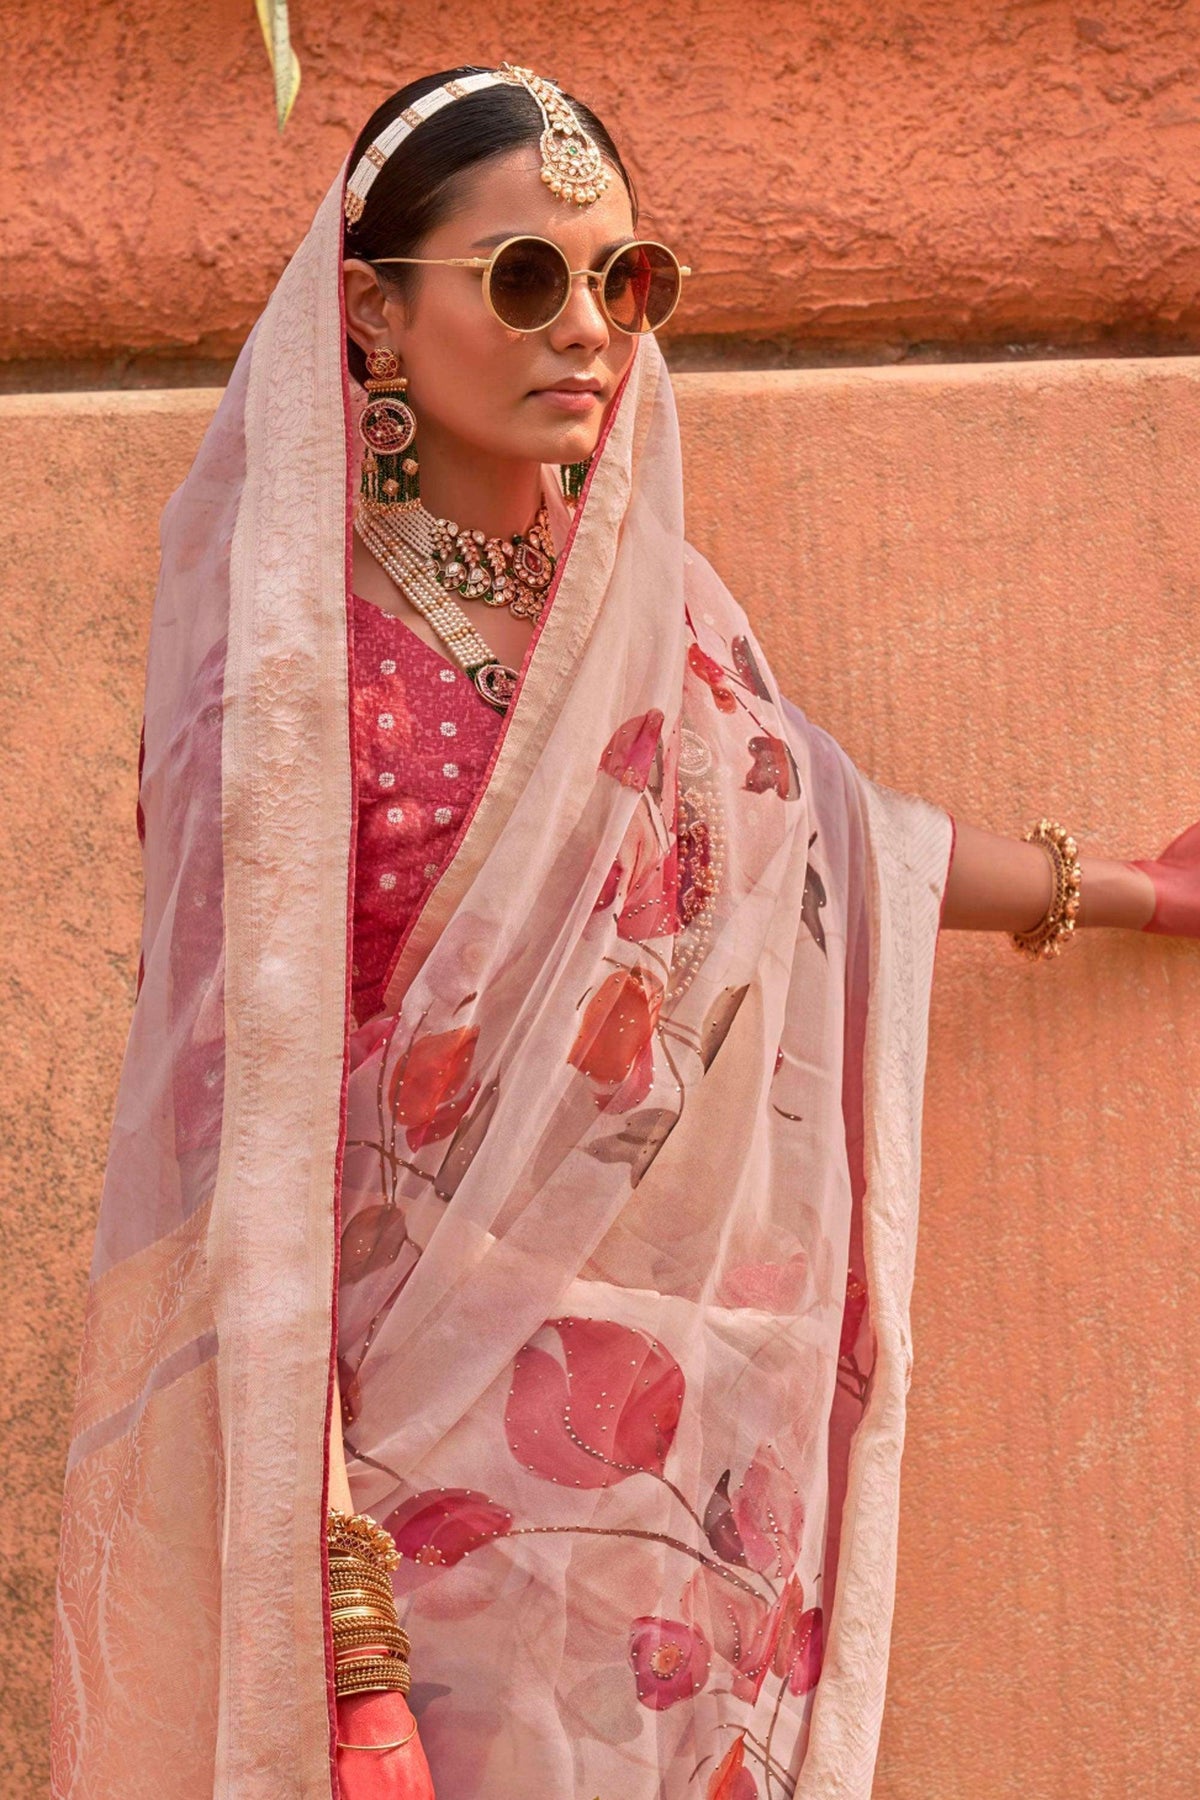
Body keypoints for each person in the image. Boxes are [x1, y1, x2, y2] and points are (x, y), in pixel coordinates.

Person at [48, 62, 1199, 1800]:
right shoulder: (285, 690)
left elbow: (830, 833)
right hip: (393, 1483)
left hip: (648, 1499)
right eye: (525, 278)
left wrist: (1128, 887)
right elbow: (242, 1173)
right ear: (371, 314)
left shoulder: (649, 623)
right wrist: (343, 1618)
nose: (587, 327)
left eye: (623, 279)